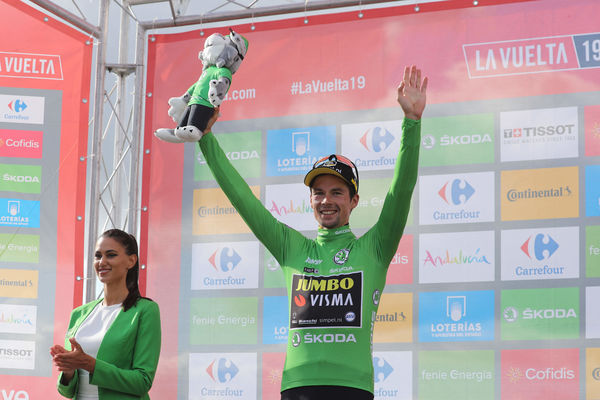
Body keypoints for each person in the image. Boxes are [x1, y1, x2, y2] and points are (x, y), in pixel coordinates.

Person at [198, 65, 427, 400]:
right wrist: (206, 140)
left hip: (352, 388)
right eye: (318, 193)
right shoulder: (291, 247)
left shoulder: (375, 247)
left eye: (337, 193)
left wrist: (412, 123)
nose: (326, 201)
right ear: (310, 200)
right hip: (298, 386)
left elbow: (401, 191)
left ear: (354, 201)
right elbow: (243, 199)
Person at [50, 229, 161, 400]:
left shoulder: (145, 310)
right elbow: (67, 391)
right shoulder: (79, 314)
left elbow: (142, 381)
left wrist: (90, 364)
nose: (102, 262)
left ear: (131, 261)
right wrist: (69, 371)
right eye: (97, 256)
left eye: (111, 255)